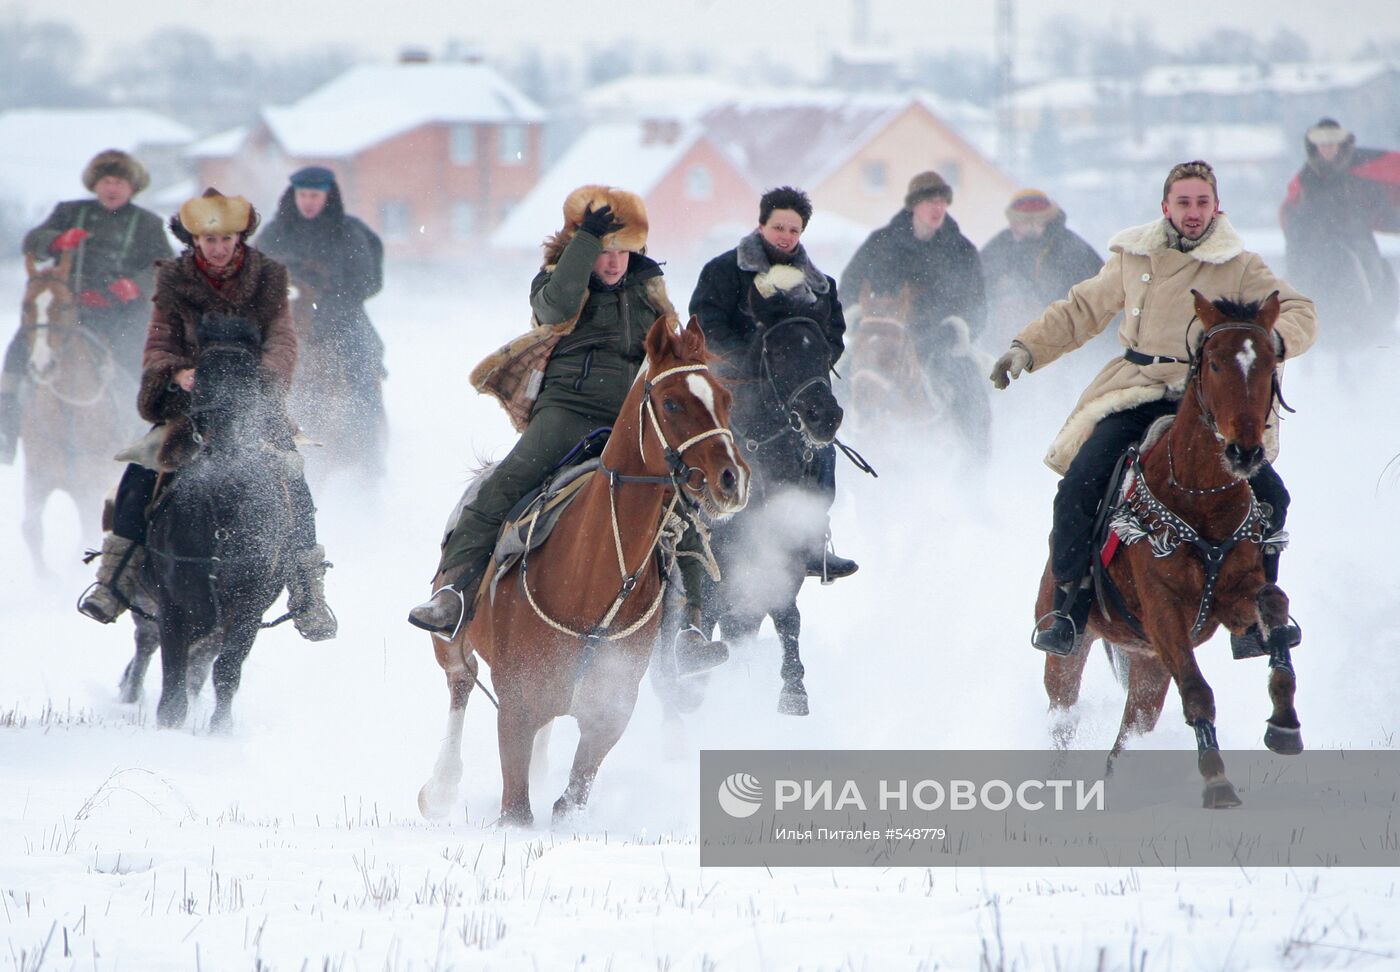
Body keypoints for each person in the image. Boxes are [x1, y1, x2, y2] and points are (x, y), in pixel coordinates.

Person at [989, 160, 1318, 656]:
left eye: (1202, 202)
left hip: (1209, 404)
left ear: (1216, 206)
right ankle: (1070, 607)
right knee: (1079, 487)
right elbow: (1082, 310)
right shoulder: (1134, 255)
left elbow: (1300, 311)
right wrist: (1027, 348)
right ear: (1166, 207)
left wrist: (1269, 339)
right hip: (1137, 391)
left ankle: (1255, 620)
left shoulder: (1241, 264)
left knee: (1272, 494)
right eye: (1183, 203)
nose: (1193, 212)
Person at [407, 185, 728, 674]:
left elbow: (668, 362)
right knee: (506, 484)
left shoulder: (650, 296)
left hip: (630, 418)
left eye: (624, 251)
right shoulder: (558, 282)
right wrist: (584, 243)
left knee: (679, 506)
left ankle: (690, 627)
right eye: (605, 251)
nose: (615, 262)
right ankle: (454, 591)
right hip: (567, 412)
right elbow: (555, 309)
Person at [77, 189, 337, 642]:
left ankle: (306, 589)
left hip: (254, 403)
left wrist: (257, 378)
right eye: (208, 240)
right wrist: (177, 373)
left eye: (226, 239)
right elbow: (159, 340)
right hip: (188, 407)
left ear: (240, 238)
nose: (218, 248)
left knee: (293, 478)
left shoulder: (269, 277)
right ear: (194, 240)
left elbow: (282, 341)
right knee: (141, 471)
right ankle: (115, 579)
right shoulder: (174, 279)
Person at [689, 185, 855, 581]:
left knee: (823, 449)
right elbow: (706, 326)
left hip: (796, 394)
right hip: (735, 387)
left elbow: (833, 337)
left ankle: (812, 542)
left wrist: (802, 366)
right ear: (761, 224)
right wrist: (751, 361)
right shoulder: (723, 271)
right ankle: (696, 536)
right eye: (779, 226)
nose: (785, 236)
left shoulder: (820, 285)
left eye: (794, 230)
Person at [1, 149, 172, 463]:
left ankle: (145, 432)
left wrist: (135, 284)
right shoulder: (69, 211)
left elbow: (163, 265)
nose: (112, 188)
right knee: (22, 346)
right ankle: (6, 426)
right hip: (71, 310)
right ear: (95, 184)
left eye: (120, 181)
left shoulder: (147, 223)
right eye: (107, 180)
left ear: (132, 187)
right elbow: (33, 242)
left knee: (138, 368)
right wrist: (57, 241)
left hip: (120, 314)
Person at [841, 171, 990, 459]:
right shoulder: (881, 242)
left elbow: (978, 305)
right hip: (881, 336)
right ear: (913, 205)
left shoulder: (962, 250)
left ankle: (974, 472)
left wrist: (953, 332)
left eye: (941, 202)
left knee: (971, 393)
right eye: (929, 202)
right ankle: (840, 459)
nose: (937, 209)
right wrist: (860, 319)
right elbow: (849, 286)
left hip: (939, 341)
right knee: (841, 381)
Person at [257, 166, 386, 459]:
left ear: (328, 195)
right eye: (303, 194)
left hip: (341, 320)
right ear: (294, 195)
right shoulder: (275, 233)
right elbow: (257, 276)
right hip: (285, 322)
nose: (308, 201)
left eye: (315, 195)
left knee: (361, 370)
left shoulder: (350, 232)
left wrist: (329, 292)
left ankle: (368, 454)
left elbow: (368, 282)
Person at [1281, 118, 1400, 341]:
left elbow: (1381, 204)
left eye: (1332, 144)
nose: (1327, 149)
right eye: (1322, 145)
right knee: (1297, 281)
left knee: (1372, 272)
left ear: (1340, 145)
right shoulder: (1306, 179)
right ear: (1315, 147)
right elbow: (1293, 216)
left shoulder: (1360, 170)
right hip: (1316, 243)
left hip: (1356, 239)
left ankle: (1377, 325)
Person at [980, 188, 1103, 339]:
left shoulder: (1069, 249)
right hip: (1006, 338)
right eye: (1017, 221)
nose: (1017, 227)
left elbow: (1095, 299)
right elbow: (978, 286)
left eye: (1026, 221)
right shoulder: (1001, 245)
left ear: (1042, 221)